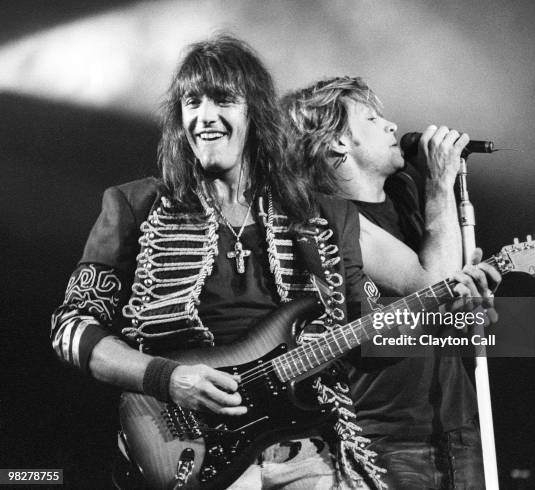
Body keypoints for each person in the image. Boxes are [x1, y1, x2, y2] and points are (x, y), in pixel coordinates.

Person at [51, 37, 495, 489]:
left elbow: (392, 319)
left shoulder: (319, 213)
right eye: (191, 102)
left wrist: (458, 306)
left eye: (223, 100)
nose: (204, 117)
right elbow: (71, 329)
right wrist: (167, 377)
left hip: (307, 452)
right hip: (189, 447)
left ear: (255, 113)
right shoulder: (135, 203)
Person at [282, 76, 500, 489]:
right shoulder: (326, 218)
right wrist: (440, 184)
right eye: (372, 118)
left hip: (455, 422)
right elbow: (430, 285)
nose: (392, 125)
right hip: (387, 439)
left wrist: (475, 299)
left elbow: (445, 304)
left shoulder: (402, 193)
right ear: (338, 143)